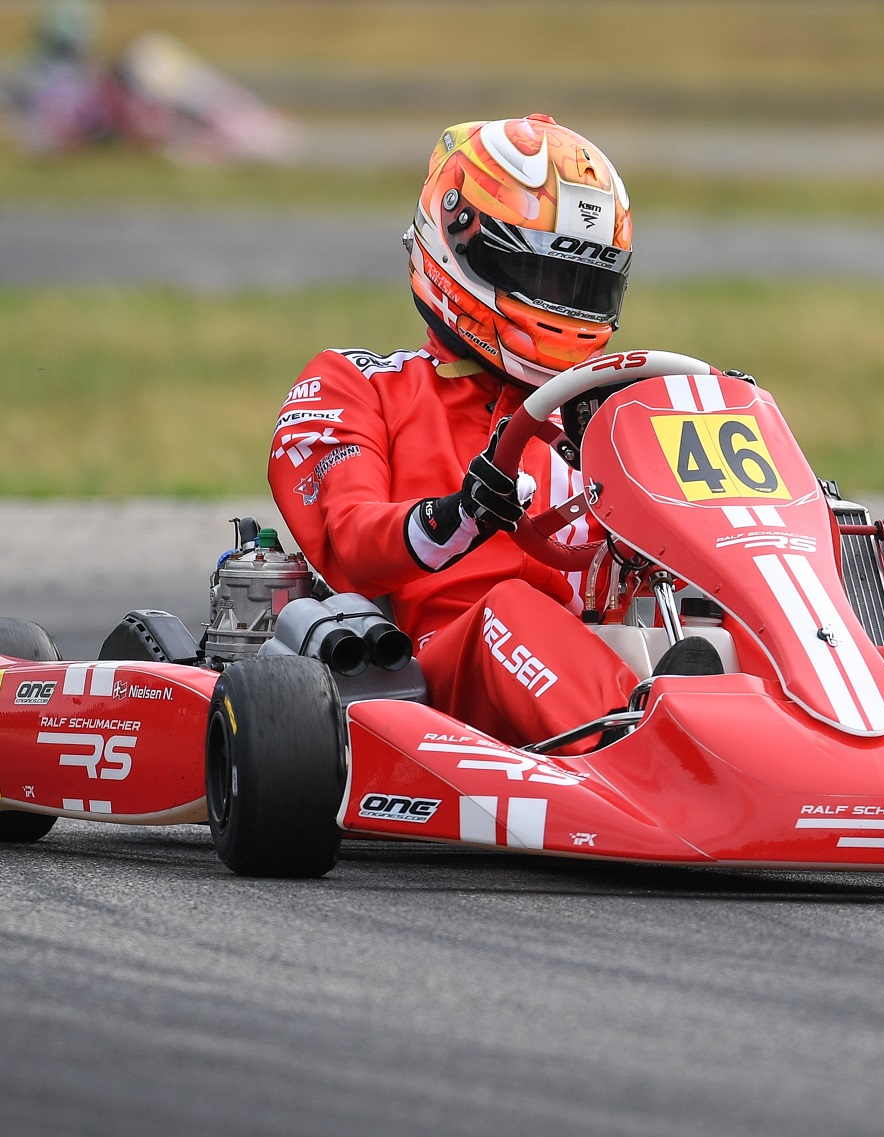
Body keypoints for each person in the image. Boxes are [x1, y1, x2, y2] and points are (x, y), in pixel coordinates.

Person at [269, 115, 718, 749]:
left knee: (727, 624)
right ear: (462, 243)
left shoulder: (608, 405)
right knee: (512, 607)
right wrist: (461, 515)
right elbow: (352, 548)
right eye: (544, 278)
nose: (564, 304)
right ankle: (651, 747)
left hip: (601, 652)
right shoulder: (358, 384)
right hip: (434, 672)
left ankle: (868, 711)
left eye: (584, 285)